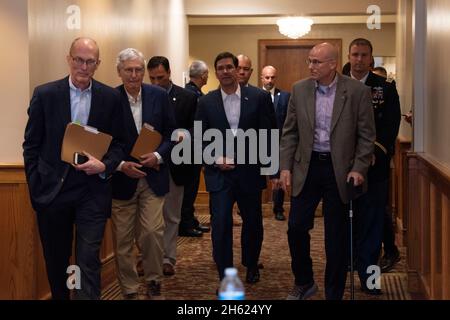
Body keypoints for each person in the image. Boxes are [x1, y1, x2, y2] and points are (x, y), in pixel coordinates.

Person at [23, 37, 126, 299]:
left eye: (90, 61)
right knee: (58, 261)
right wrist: (36, 188)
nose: (83, 66)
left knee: (87, 258)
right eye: (78, 60)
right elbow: (31, 145)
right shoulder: (45, 95)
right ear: (69, 59)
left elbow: (120, 144)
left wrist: (105, 165)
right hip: (53, 192)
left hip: (92, 191)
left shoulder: (111, 98)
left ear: (98, 64)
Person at [279, 42, 375, 300]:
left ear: (332, 64)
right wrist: (285, 167)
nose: (310, 66)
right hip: (306, 167)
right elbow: (289, 133)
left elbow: (367, 137)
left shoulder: (356, 92)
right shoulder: (299, 90)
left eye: (316, 62)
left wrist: (359, 168)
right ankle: (304, 281)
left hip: (340, 171)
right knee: (296, 227)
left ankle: (334, 293)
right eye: (309, 61)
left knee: (336, 237)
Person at [195, 52, 276, 285]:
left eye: (230, 67)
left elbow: (269, 134)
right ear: (216, 72)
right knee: (220, 223)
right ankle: (225, 272)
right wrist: (214, 159)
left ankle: (251, 264)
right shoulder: (206, 101)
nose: (226, 71)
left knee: (253, 222)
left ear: (237, 69)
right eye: (220, 68)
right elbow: (198, 140)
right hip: (219, 174)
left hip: (249, 172)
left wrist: (273, 169)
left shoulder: (259, 97)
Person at [111, 48, 175, 299]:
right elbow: (106, 141)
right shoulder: (109, 98)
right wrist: (120, 165)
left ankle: (153, 279)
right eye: (129, 70)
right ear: (119, 72)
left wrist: (158, 156)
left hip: (153, 177)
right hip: (122, 179)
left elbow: (173, 133)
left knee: (151, 232)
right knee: (123, 240)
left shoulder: (158, 96)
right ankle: (129, 288)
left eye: (138, 69)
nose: (134, 75)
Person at [348, 38, 401, 292]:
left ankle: (369, 279)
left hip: (374, 167)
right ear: (349, 56)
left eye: (364, 55)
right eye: (355, 54)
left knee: (371, 224)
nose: (359, 60)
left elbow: (390, 128)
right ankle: (346, 265)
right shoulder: (335, 85)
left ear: (371, 59)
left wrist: (370, 154)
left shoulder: (385, 88)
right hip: (341, 167)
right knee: (344, 223)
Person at [147, 56, 199, 277]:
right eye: (152, 78)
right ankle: (149, 258)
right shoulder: (145, 96)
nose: (157, 82)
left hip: (175, 165)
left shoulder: (187, 98)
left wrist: (181, 139)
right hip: (149, 164)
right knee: (148, 218)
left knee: (171, 215)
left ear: (169, 73)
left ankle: (168, 258)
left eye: (161, 77)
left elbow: (195, 131)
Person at [180, 60, 211, 236]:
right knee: (189, 189)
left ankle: (190, 220)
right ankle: (186, 223)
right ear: (203, 75)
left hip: (191, 150)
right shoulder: (193, 96)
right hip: (190, 151)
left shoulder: (191, 93)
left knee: (191, 189)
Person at [261, 65, 291, 221]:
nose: (270, 80)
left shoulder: (285, 96)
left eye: (272, 77)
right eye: (267, 77)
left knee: (278, 178)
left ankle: (278, 208)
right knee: (254, 178)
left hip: (278, 143)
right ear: (262, 78)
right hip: (257, 143)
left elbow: (288, 121)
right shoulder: (255, 96)